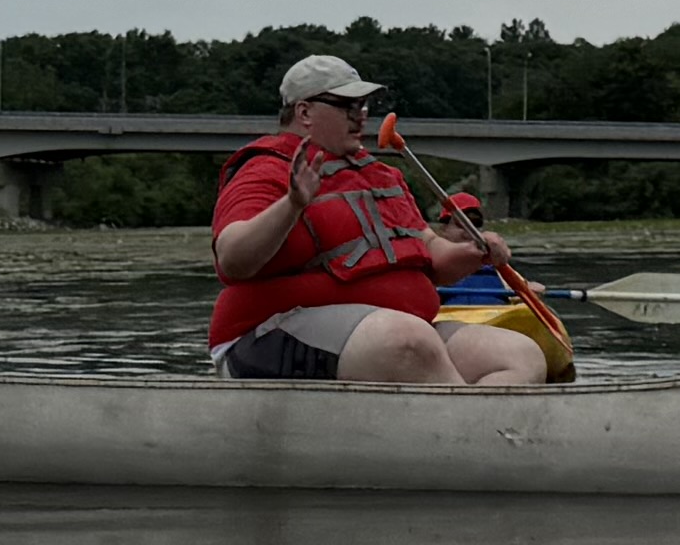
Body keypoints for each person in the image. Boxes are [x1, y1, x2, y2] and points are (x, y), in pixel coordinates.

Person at [202, 57, 550, 389]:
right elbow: (233, 259)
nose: (360, 117)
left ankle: (472, 432)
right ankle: (473, 435)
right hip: (262, 337)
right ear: (304, 111)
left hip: (395, 333)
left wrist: (476, 251)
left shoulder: (381, 174)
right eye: (347, 106)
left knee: (519, 354)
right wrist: (292, 204)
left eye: (364, 106)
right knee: (407, 341)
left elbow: (431, 253)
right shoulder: (265, 169)